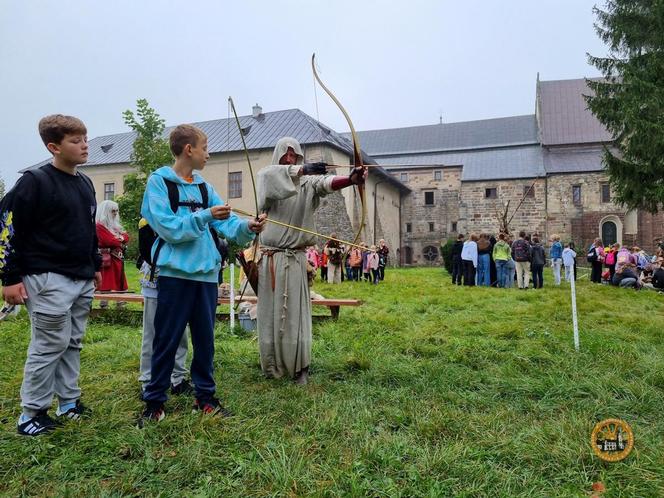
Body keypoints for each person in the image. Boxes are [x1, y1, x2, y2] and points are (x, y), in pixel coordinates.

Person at [139, 124, 266, 424]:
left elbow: (227, 224)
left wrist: (247, 227)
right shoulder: (159, 183)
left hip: (206, 277)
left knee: (205, 342)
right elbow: (168, 228)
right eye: (205, 147)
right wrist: (206, 215)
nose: (208, 154)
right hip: (174, 276)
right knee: (166, 340)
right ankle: (155, 402)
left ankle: (205, 397)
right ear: (189, 150)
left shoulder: (204, 188)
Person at [1, 115, 101, 436]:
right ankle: (31, 413)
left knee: (72, 342)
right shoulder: (35, 182)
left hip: (80, 278)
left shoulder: (85, 182)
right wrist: (9, 277)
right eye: (75, 141)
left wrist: (94, 265)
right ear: (53, 147)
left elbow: (88, 230)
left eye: (85, 138)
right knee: (48, 344)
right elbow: (6, 227)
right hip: (46, 278)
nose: (84, 145)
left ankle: (68, 403)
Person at [255, 136, 366, 384]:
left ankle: (299, 367)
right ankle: (272, 366)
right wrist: (301, 169)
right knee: (269, 314)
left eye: (295, 156)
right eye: (286, 154)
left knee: (296, 315)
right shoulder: (267, 177)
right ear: (278, 155)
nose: (290, 159)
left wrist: (350, 179)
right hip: (271, 261)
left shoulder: (306, 184)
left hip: (294, 260)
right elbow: (271, 177)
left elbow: (325, 183)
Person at [137, 218, 191, 397]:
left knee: (181, 333)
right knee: (151, 333)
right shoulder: (149, 219)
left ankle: (178, 378)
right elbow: (147, 251)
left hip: (183, 276)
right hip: (157, 278)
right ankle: (148, 379)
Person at [95, 200, 129, 308]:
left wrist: (121, 238)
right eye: (113, 211)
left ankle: (120, 302)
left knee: (119, 281)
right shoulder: (99, 226)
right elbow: (109, 241)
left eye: (116, 211)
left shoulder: (113, 226)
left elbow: (126, 236)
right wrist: (120, 238)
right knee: (106, 282)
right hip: (107, 259)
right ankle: (104, 304)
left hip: (116, 258)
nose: (115, 213)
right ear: (106, 212)